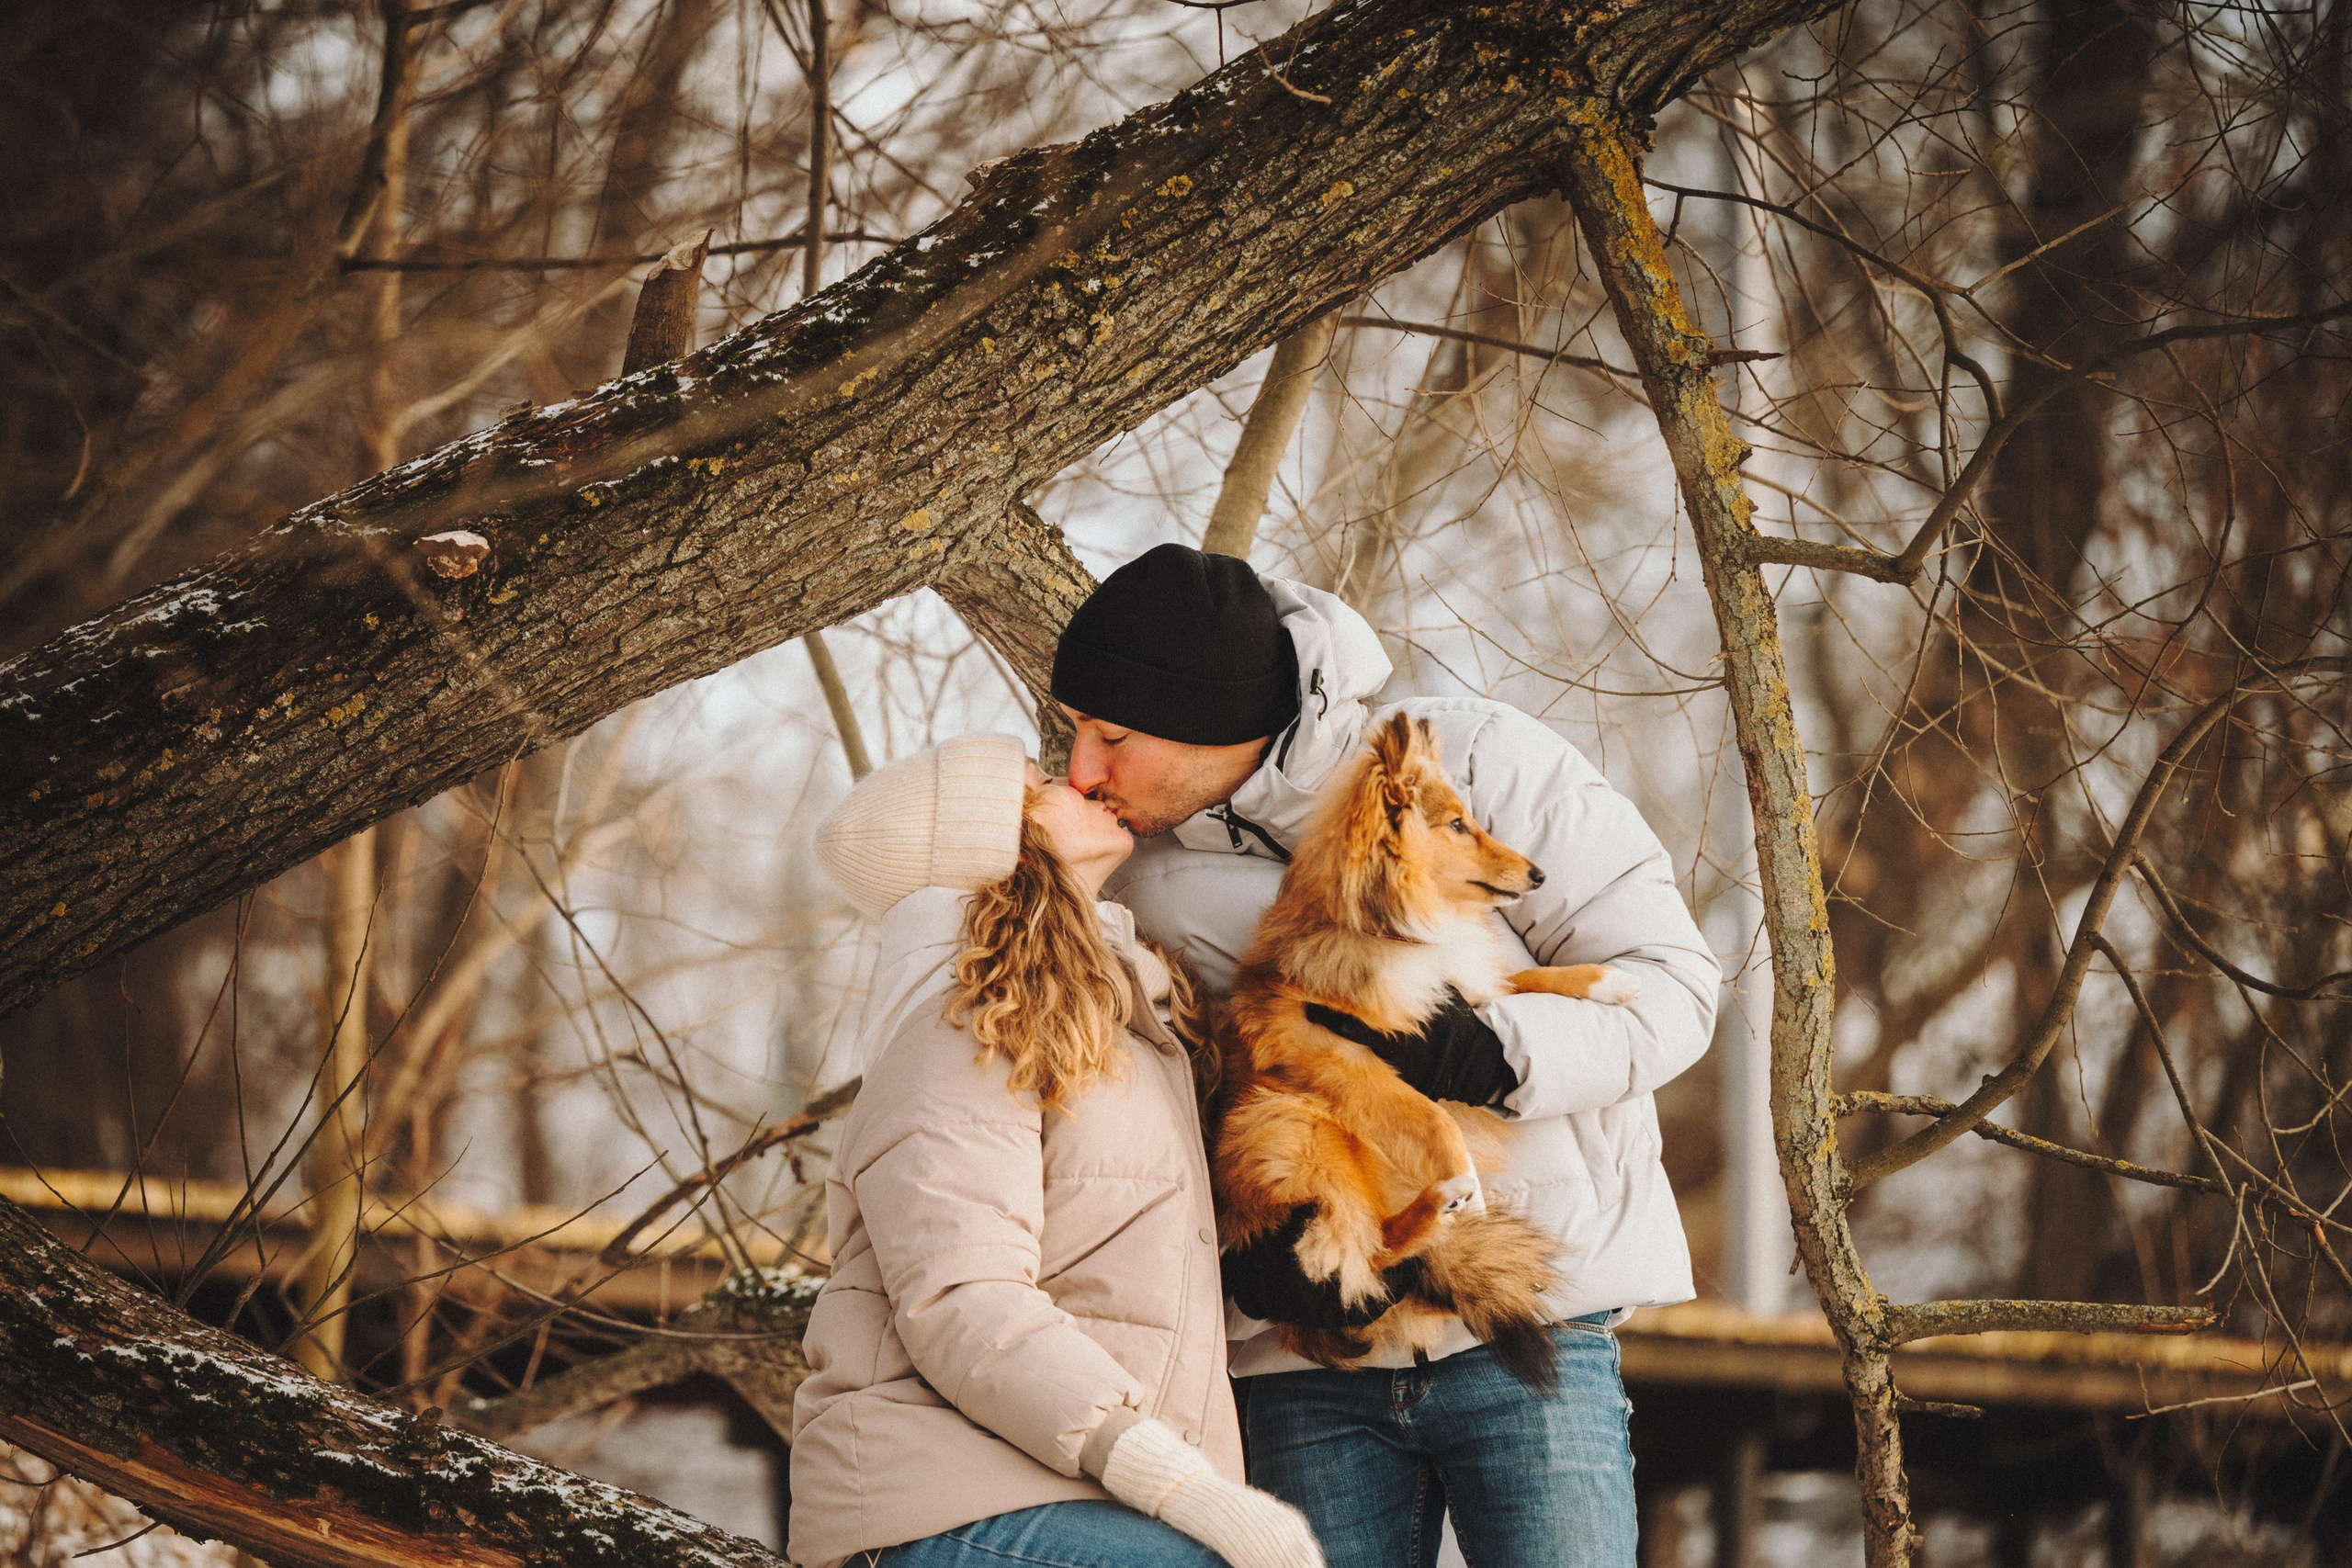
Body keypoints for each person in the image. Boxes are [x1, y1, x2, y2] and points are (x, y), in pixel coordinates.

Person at [1052, 545, 1721, 1568]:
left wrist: (1492, 1052)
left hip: (1520, 1320)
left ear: (1211, 716)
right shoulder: (1123, 864)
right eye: (1074, 737)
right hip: (1296, 1355)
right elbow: (1132, 1105)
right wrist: (1248, 1252)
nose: (1081, 774)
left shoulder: (1483, 764)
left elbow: (1672, 987)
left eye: (1111, 737)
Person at [786, 731, 1325, 1568]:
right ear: (993, 837)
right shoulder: (958, 1025)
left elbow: (1133, 1286)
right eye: (1040, 780)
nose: (1079, 778)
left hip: (1063, 1488)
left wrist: (1286, 1285)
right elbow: (965, 1300)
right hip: (940, 1500)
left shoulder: (1118, 1023)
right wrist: (1186, 1487)